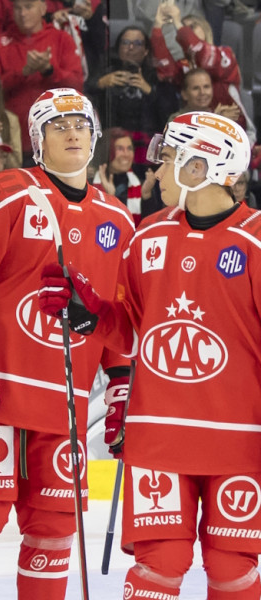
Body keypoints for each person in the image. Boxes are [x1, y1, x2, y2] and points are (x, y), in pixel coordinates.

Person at [0, 88, 133, 600]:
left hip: (66, 406)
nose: (73, 132)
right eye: (59, 126)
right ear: (37, 141)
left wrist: (121, 383)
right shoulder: (9, 191)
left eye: (81, 123)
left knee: (55, 533)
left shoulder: (119, 221)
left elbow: (122, 315)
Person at [105, 110, 261, 600]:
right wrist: (87, 312)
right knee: (160, 564)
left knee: (230, 566)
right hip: (159, 436)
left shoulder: (256, 240)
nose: (154, 171)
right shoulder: (147, 235)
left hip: (240, 440)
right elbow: (128, 329)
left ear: (204, 167)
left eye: (169, 158)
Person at [0, 0, 83, 149]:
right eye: (18, 8)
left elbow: (77, 85)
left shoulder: (61, 39)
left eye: (28, 7)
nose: (22, 13)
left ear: (43, 9)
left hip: (56, 137)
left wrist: (49, 70)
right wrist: (23, 73)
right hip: (12, 140)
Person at [152, 11, 244, 124]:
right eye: (183, 29)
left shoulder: (225, 54)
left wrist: (177, 22)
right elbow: (164, 68)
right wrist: (157, 26)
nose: (187, 31)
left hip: (235, 128)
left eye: (192, 26)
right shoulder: (183, 66)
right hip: (195, 129)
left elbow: (202, 53)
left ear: (205, 28)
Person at [89, 25, 169, 138]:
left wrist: (150, 91)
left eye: (137, 43)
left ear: (146, 50)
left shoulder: (157, 76)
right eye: (125, 42)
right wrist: (100, 84)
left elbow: (168, 112)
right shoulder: (105, 71)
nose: (131, 47)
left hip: (146, 138)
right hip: (111, 138)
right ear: (118, 47)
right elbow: (85, 93)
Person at [93, 128, 147, 214]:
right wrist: (109, 197)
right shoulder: (89, 185)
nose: (126, 154)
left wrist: (147, 197)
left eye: (129, 148)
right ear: (107, 152)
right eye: (120, 149)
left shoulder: (143, 186)